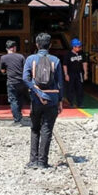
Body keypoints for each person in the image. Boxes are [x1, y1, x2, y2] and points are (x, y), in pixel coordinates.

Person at [22, 32, 62, 169]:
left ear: (37, 45)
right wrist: (60, 101)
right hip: (52, 98)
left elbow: (25, 78)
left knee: (35, 128)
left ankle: (33, 160)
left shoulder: (30, 59)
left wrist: (37, 91)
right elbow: (60, 83)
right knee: (47, 129)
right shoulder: (55, 60)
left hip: (36, 99)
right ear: (50, 45)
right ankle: (42, 162)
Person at [0, 39, 26, 124]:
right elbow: (25, 69)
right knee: (20, 98)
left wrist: (7, 71)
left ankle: (17, 118)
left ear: (7, 48)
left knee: (13, 100)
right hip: (21, 81)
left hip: (11, 82)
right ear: (14, 48)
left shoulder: (3, 58)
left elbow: (2, 70)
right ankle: (19, 114)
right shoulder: (21, 56)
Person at [64, 38, 88, 108]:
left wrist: (85, 73)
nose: (80, 48)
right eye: (78, 47)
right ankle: (71, 102)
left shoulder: (82, 53)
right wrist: (66, 74)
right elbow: (65, 65)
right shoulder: (68, 54)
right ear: (73, 47)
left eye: (80, 46)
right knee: (70, 88)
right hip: (71, 73)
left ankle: (80, 103)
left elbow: (84, 63)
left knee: (80, 88)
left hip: (79, 73)